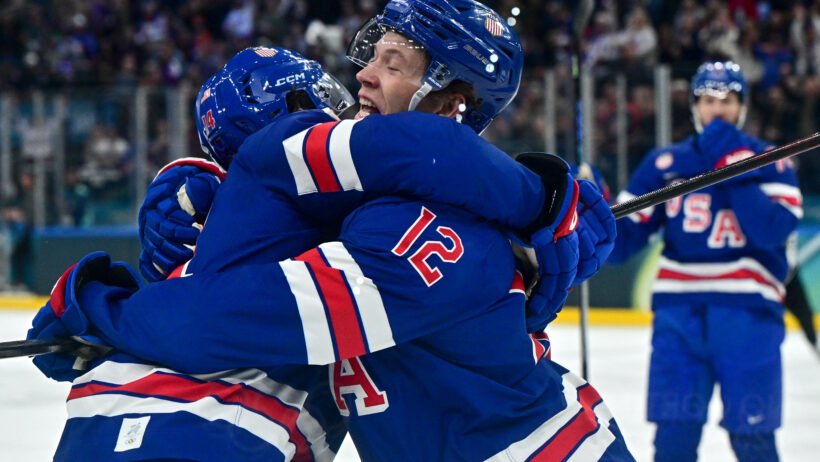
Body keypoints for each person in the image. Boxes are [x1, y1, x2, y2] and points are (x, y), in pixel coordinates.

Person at [31, 2, 630, 461]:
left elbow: (215, 317)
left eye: (391, 63)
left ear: (451, 102)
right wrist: (201, 188)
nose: (361, 78)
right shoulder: (368, 208)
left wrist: (92, 305)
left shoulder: (419, 225)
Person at [607, 61, 803, 462]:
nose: (717, 109)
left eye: (727, 100)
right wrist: (592, 204)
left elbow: (771, 230)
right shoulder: (665, 163)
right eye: (708, 99)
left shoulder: (774, 160)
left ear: (742, 106)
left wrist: (733, 162)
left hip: (748, 317)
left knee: (753, 437)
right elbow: (621, 243)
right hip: (679, 318)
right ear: (694, 106)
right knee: (674, 440)